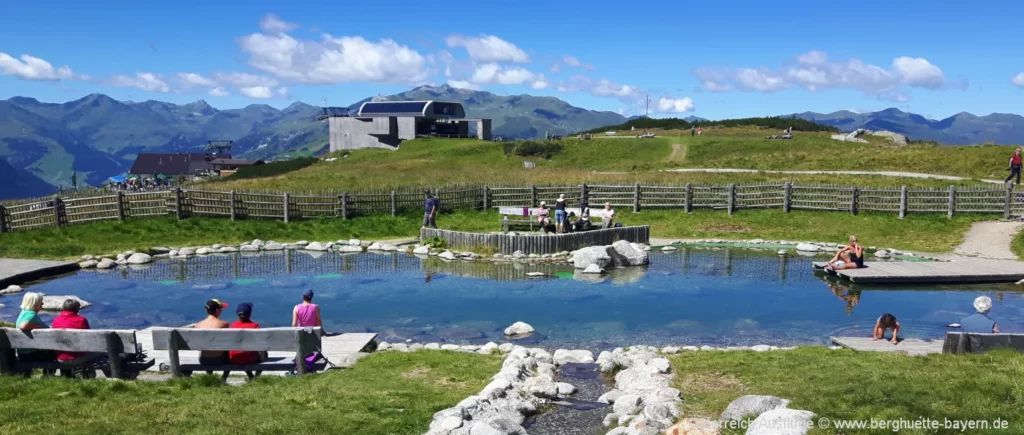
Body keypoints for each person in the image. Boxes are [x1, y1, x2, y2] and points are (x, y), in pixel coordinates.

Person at [16, 292, 56, 369]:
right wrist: (39, 328)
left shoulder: (24, 312)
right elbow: (23, 326)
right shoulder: (31, 314)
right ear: (35, 303)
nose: (42, 303)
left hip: (23, 352)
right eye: (40, 302)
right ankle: (48, 375)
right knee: (54, 352)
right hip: (30, 353)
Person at [229, 302, 266, 379]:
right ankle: (255, 377)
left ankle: (250, 376)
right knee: (264, 354)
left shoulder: (233, 325)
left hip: (234, 357)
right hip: (249, 358)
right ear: (250, 314)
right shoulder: (255, 326)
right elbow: (260, 343)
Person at [51, 299, 91, 364]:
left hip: (60, 356)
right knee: (103, 353)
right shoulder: (82, 320)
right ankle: (112, 373)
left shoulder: (56, 320)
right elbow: (89, 338)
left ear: (63, 308)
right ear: (77, 309)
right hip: (76, 356)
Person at [195, 299, 230, 372]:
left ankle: (209, 376)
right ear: (217, 310)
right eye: (221, 309)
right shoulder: (224, 324)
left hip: (203, 359)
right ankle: (223, 378)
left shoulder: (198, 325)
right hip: (219, 359)